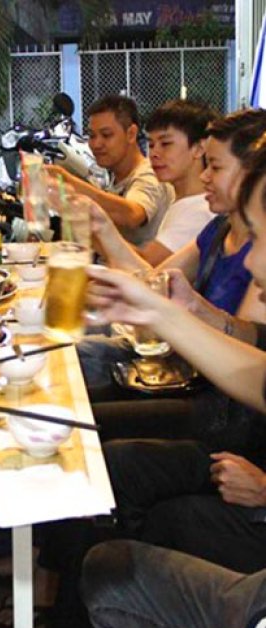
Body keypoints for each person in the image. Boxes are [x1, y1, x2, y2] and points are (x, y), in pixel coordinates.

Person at [79, 137, 266, 628]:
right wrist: (157, 310)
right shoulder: (215, 231)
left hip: (231, 441)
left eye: (262, 236)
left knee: (116, 556)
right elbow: (256, 371)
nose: (252, 263)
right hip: (219, 418)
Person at [79, 108, 266, 413]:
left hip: (208, 396)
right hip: (183, 370)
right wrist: (102, 227)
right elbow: (154, 278)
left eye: (215, 166)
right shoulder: (219, 227)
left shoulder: (253, 257)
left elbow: (247, 359)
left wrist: (171, 313)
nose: (204, 176)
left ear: (252, 176)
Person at [46, 94, 174, 246]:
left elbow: (132, 215)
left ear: (131, 134)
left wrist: (66, 181)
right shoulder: (115, 178)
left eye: (106, 135)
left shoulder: (149, 175)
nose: (96, 144)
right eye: (92, 135)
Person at [134, 99, 218, 265]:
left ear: (199, 148)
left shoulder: (200, 210)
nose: (154, 153)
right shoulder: (181, 199)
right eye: (151, 145)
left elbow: (145, 266)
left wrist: (96, 229)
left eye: (165, 144)